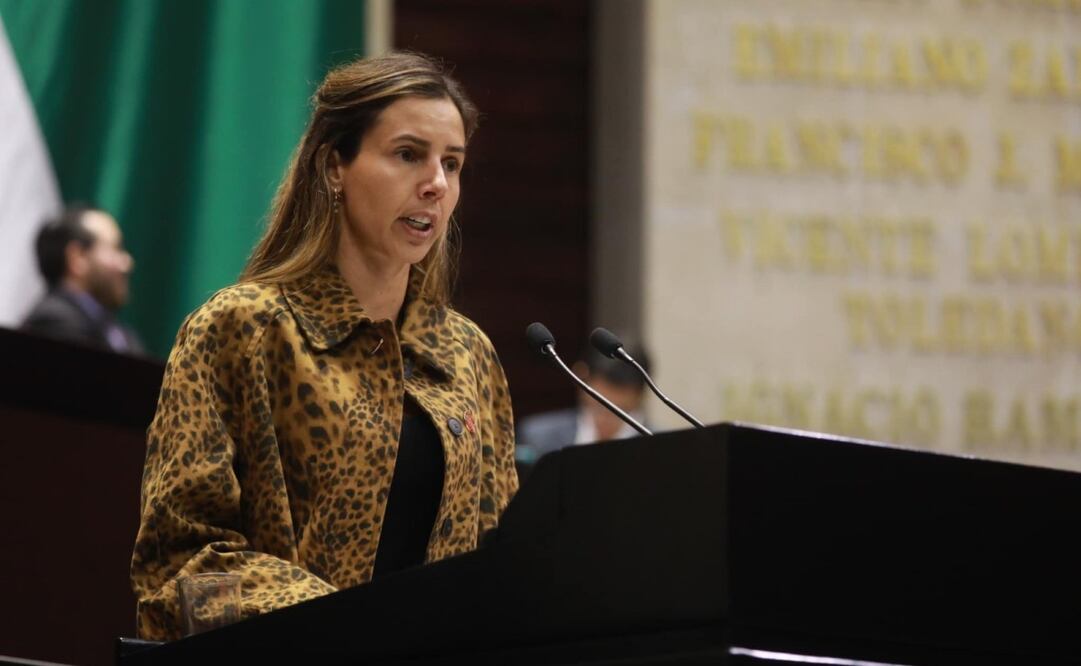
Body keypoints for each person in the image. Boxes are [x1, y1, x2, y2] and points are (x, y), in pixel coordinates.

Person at [130, 52, 519, 640]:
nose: (436, 184)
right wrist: (349, 628)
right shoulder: (243, 328)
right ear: (334, 166)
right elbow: (180, 563)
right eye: (408, 154)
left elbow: (501, 564)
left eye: (453, 164)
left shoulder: (467, 354)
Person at [20, 205, 142, 354]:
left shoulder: (121, 334)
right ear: (78, 258)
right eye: (116, 248)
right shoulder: (54, 325)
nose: (127, 263)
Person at [516, 343, 652, 465]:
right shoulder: (537, 436)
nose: (605, 419)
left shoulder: (660, 444)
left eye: (620, 410)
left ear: (639, 395)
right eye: (598, 406)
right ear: (582, 381)